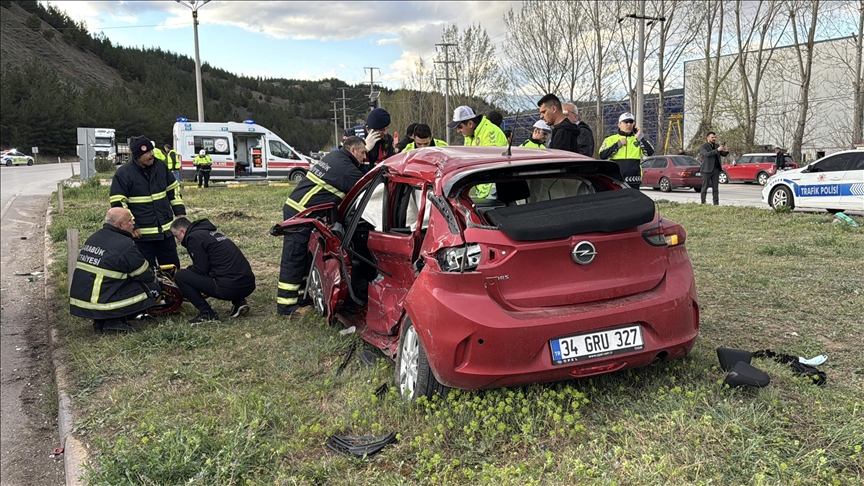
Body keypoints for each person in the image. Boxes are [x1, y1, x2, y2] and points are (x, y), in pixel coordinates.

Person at [277, 136, 367, 316]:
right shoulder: (345, 169)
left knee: (303, 257)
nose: (365, 157)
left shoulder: (334, 158)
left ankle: (301, 298)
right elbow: (367, 186)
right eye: (363, 152)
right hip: (301, 213)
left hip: (301, 210)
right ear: (353, 150)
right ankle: (286, 306)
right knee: (294, 257)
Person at [69, 208, 161, 334]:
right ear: (119, 225)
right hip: (99, 302)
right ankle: (114, 322)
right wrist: (157, 279)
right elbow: (144, 274)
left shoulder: (95, 237)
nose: (133, 222)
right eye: (130, 220)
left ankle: (101, 321)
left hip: (82, 300)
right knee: (151, 288)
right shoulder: (124, 245)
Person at [110, 135, 185, 269]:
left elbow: (173, 189)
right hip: (142, 236)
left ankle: (171, 290)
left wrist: (180, 212)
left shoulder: (160, 166)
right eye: (147, 153)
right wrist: (133, 225)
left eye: (151, 151)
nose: (152, 155)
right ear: (138, 156)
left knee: (172, 270)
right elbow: (118, 203)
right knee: (147, 273)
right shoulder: (124, 174)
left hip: (165, 233)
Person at [170, 218, 256, 324]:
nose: (178, 240)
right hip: (248, 284)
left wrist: (188, 269)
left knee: (181, 276)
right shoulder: (210, 233)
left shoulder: (194, 237)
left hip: (230, 287)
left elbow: (201, 269)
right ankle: (239, 301)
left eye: (176, 236)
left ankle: (207, 313)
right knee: (226, 269)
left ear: (183, 231)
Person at [448, 106, 508, 198]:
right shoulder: (469, 135)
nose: (458, 131)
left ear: (470, 124)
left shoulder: (490, 132)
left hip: (495, 189)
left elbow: (493, 165)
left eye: (460, 127)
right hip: (483, 188)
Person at [598, 112, 655, 189]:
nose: (629, 124)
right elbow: (603, 155)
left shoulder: (638, 139)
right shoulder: (610, 139)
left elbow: (649, 152)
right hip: (615, 179)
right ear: (619, 124)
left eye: (631, 122)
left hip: (634, 180)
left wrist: (639, 137)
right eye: (626, 122)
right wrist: (618, 144)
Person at [698, 132, 729, 205]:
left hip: (716, 169)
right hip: (706, 170)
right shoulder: (704, 146)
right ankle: (703, 202)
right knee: (704, 187)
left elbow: (723, 154)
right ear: (708, 138)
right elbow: (707, 154)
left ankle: (716, 203)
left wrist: (726, 150)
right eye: (712, 137)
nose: (714, 139)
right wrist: (717, 150)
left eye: (715, 137)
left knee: (715, 188)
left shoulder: (717, 146)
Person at [363, 108, 395, 172]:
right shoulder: (353, 135)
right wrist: (365, 149)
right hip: (358, 178)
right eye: (381, 130)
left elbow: (391, 161)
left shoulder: (388, 140)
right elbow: (346, 163)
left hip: (378, 179)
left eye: (386, 128)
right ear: (368, 129)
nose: (385, 133)